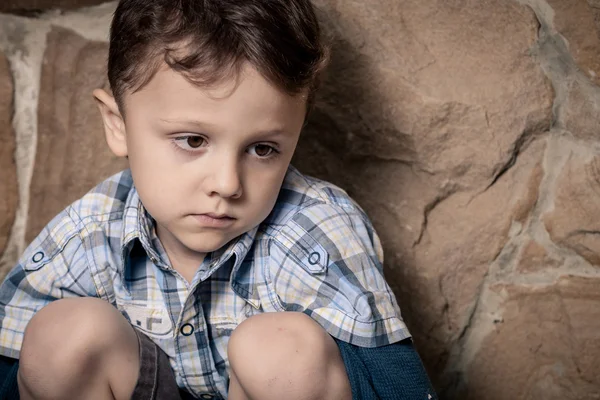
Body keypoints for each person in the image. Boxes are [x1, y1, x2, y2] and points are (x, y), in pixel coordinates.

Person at [0, 0, 437, 399]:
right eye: (193, 140)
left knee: (281, 352)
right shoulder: (90, 231)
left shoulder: (314, 232)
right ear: (118, 124)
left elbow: (395, 383)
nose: (228, 184)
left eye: (262, 149)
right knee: (62, 336)